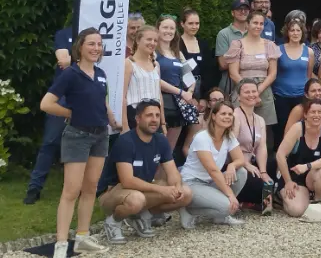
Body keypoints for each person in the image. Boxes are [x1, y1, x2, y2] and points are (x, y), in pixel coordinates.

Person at [41, 28, 120, 257]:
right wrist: (70, 113)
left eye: (99, 44)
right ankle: (62, 243)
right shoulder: (70, 74)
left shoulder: (101, 73)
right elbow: (46, 103)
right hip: (77, 136)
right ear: (80, 47)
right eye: (91, 44)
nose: (96, 48)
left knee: (90, 189)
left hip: (100, 136)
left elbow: (101, 100)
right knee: (71, 191)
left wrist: (111, 117)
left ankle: (83, 237)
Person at [98, 100, 193, 244]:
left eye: (157, 115)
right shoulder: (126, 141)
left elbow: (172, 172)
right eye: (149, 115)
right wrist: (162, 190)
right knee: (137, 200)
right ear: (138, 119)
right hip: (112, 192)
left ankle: (140, 216)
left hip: (141, 189)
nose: (154, 119)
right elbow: (127, 180)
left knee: (185, 194)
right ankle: (113, 222)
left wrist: (176, 187)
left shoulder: (160, 140)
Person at [24, 26, 73, 205]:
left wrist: (72, 60)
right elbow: (62, 60)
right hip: (63, 94)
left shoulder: (94, 32)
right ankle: (34, 188)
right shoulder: (64, 33)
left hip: (85, 92)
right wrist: (79, 60)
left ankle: (84, 188)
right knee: (51, 141)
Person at [178, 101, 247, 228]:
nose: (227, 117)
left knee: (241, 172)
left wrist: (232, 165)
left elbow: (240, 159)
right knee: (227, 206)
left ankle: (220, 217)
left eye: (230, 114)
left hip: (210, 182)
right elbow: (213, 171)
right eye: (223, 114)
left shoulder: (229, 136)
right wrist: (230, 195)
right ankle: (189, 210)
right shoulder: (202, 137)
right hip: (192, 183)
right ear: (214, 116)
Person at [275, 99, 321, 218]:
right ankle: (280, 197)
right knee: (297, 211)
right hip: (292, 176)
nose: (316, 115)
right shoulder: (298, 128)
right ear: (306, 114)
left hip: (311, 174)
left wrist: (307, 166)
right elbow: (280, 155)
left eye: (319, 112)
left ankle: (316, 200)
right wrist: (288, 181)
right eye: (313, 112)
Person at [224, 10, 280, 132]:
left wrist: (257, 91)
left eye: (261, 24)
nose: (258, 26)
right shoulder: (237, 45)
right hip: (242, 89)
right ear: (247, 24)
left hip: (263, 90)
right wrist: (249, 91)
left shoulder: (270, 45)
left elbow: (273, 73)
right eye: (255, 23)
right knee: (239, 128)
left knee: (263, 130)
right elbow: (233, 73)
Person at [156, 15, 197, 151]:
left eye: (172, 28)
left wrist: (189, 92)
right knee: (156, 150)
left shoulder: (178, 53)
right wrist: (180, 92)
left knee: (169, 152)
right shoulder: (153, 53)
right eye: (165, 27)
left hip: (178, 106)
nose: (168, 31)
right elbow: (154, 80)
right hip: (161, 104)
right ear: (157, 30)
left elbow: (190, 78)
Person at [232, 80, 274, 208]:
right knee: (261, 189)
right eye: (247, 92)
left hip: (253, 161)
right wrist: (245, 164)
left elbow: (262, 147)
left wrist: (263, 171)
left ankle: (266, 203)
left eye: (254, 91)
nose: (251, 95)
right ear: (239, 96)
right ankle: (244, 199)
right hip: (238, 162)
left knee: (271, 175)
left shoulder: (260, 119)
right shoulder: (235, 116)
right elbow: (230, 145)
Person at [274, 18, 313, 141]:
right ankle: (279, 156)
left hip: (301, 96)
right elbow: (273, 73)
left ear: (302, 33)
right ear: (287, 32)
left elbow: (309, 75)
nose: (295, 33)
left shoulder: (309, 51)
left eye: (298, 30)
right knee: (282, 127)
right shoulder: (278, 50)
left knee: (301, 127)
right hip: (281, 96)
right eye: (292, 30)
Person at [121, 25, 164, 133]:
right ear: (138, 40)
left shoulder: (156, 65)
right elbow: (122, 96)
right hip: (135, 116)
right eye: (149, 39)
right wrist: (124, 126)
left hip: (155, 117)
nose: (152, 43)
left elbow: (159, 95)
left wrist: (163, 123)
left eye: (155, 40)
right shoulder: (128, 63)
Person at [179, 9, 215, 109]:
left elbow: (209, 71)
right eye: (190, 23)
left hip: (202, 89)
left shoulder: (204, 44)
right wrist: (189, 93)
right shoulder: (176, 44)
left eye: (197, 23)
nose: (194, 27)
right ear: (182, 24)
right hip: (183, 89)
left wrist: (204, 97)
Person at [216, 0, 250, 95]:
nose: (243, 12)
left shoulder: (254, 33)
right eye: (239, 9)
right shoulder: (223, 34)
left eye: (246, 9)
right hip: (230, 84)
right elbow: (223, 64)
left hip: (251, 82)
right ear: (232, 13)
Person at [183, 88, 226, 156]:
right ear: (208, 104)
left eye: (221, 100)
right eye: (214, 100)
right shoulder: (199, 121)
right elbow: (186, 148)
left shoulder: (227, 121)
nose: (218, 103)